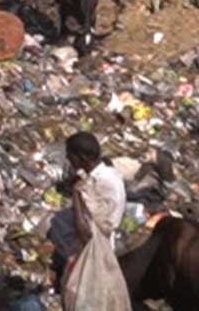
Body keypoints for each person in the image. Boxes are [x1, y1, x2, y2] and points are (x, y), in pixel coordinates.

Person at [51, 131, 128, 311]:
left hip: (93, 256)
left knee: (83, 301)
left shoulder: (104, 184)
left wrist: (77, 196)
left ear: (82, 157)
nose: (69, 160)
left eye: (70, 156)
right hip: (91, 251)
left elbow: (87, 234)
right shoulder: (105, 174)